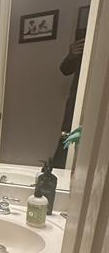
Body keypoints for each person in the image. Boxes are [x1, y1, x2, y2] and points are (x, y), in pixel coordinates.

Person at [51, 38, 84, 168]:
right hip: (75, 99)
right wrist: (71, 56)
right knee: (66, 137)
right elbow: (65, 69)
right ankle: (58, 168)